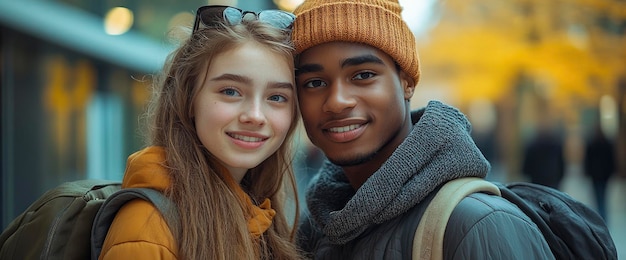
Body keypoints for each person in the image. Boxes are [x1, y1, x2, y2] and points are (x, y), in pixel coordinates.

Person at [290, 0, 555, 259]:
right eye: (314, 83)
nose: (337, 101)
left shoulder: (477, 224)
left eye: (363, 75)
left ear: (407, 82)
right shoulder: (312, 230)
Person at [99, 5, 302, 260]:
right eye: (230, 91)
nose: (255, 115)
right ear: (189, 99)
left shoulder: (258, 215)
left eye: (276, 97)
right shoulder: (146, 228)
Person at [584, 123, 616, 221]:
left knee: (598, 197)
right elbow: (611, 160)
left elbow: (588, 160)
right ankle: (603, 217)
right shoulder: (607, 143)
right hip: (604, 175)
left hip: (596, 175)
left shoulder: (591, 143)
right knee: (603, 197)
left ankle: (599, 217)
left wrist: (588, 172)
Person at [521, 124, 565, 189]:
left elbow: (526, 167)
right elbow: (561, 164)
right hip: (552, 180)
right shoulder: (556, 145)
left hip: (537, 182)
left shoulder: (532, 145)